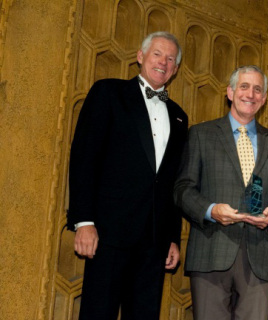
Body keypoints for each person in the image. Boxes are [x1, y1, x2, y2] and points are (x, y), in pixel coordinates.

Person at [67, 31, 188, 320]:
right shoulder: (108, 93)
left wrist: (173, 237)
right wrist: (84, 221)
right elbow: (84, 158)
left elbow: (171, 181)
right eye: (157, 53)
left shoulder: (180, 116)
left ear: (176, 69)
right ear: (140, 56)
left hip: (154, 244)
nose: (163, 62)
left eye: (171, 58)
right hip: (108, 235)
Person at [174, 65, 268, 320]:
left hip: (258, 258)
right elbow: (183, 189)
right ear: (230, 92)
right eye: (244, 86)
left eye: (257, 89)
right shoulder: (201, 135)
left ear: (263, 99)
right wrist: (211, 210)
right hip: (210, 252)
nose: (250, 94)